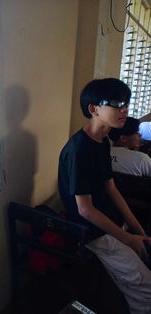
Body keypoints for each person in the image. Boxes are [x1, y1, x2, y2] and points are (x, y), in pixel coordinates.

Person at [58, 78, 151, 313]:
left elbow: (111, 188)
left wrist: (138, 230)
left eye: (126, 104)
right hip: (92, 231)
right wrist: (127, 238)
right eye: (117, 103)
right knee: (146, 288)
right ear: (94, 109)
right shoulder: (79, 149)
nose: (125, 110)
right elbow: (85, 210)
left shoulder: (102, 142)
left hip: (109, 222)